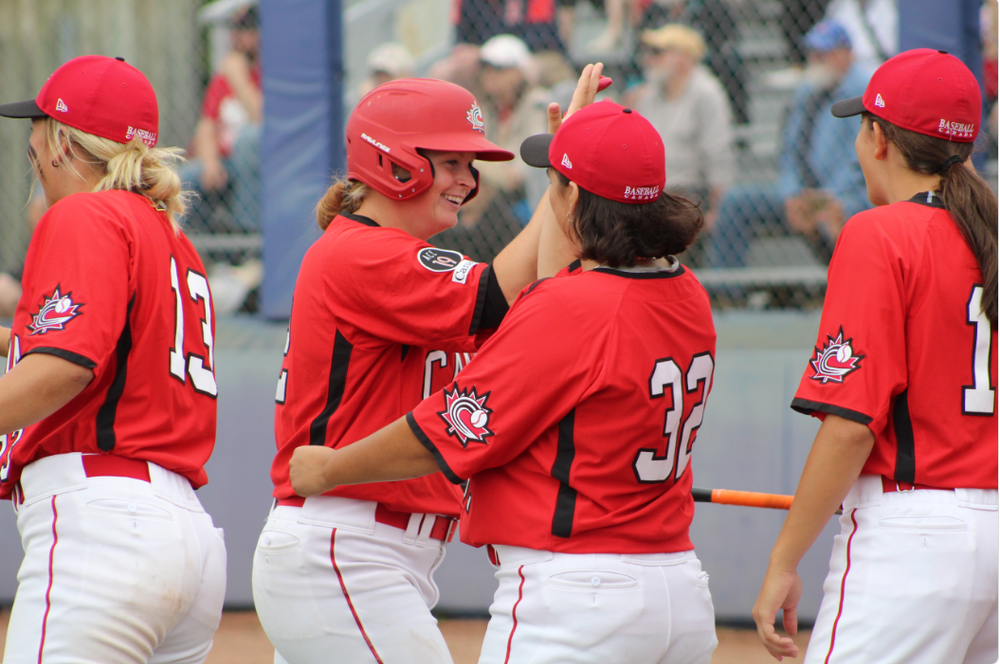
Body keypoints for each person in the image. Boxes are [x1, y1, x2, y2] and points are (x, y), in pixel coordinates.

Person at [287, 99, 719, 663]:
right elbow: (558, 291)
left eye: (555, 182)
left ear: (572, 199)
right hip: (679, 589)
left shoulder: (570, 309)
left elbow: (452, 429)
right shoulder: (690, 295)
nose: (469, 180)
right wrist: (572, 169)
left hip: (579, 595)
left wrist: (329, 468)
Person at [251, 67, 607, 664]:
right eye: (451, 163)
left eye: (471, 166)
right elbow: (496, 294)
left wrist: (569, 175)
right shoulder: (361, 250)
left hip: (365, 551)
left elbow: (538, 296)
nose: (468, 180)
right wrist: (559, 175)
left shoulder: (394, 255)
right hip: (346, 547)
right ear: (392, 162)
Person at [752, 49, 998, 664]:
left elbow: (851, 427)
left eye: (862, 129)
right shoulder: (990, 231)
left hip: (912, 539)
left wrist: (784, 558)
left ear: (879, 137)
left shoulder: (877, 232)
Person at [0, 55, 226, 663]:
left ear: (62, 142)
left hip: (103, 527)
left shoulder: (85, 212)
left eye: (39, 131)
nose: (33, 146)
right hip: (185, 535)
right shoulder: (170, 236)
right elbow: (113, 347)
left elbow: (66, 365)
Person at [706, 20, 872, 268]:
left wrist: (827, 197)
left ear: (846, 54)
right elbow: (789, 151)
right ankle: (726, 289)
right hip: (801, 193)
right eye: (813, 52)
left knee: (842, 215)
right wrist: (792, 194)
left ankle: (849, 284)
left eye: (824, 53)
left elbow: (861, 160)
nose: (815, 59)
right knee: (734, 203)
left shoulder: (864, 91)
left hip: (849, 194)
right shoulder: (808, 89)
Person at [433, 34, 550, 262]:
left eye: (498, 70)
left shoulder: (537, 103)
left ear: (518, 73)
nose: (490, 76)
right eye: (486, 69)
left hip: (523, 201)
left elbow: (518, 176)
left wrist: (471, 160)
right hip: (490, 195)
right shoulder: (486, 107)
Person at [627, 23, 734, 233]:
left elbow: (718, 154)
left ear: (683, 57)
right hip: (649, 192)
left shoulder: (707, 93)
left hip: (689, 193)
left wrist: (718, 209)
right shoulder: (648, 95)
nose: (648, 59)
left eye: (657, 52)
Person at [181, 5, 262, 233]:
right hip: (224, 161)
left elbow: (261, 118)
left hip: (257, 161)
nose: (237, 37)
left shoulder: (269, 74)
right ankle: (180, 243)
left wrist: (239, 79)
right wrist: (210, 162)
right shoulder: (223, 77)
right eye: (236, 30)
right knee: (184, 178)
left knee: (247, 141)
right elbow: (206, 125)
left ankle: (247, 236)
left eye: (246, 30)